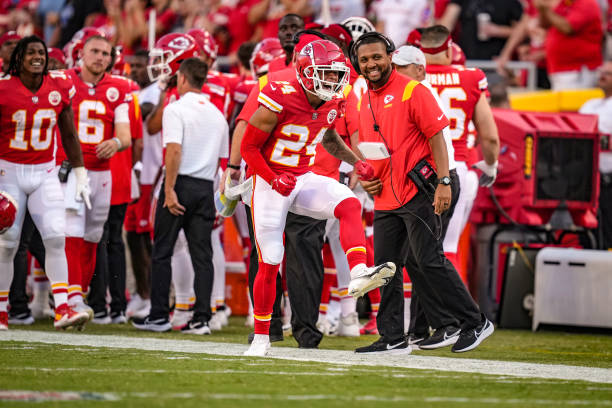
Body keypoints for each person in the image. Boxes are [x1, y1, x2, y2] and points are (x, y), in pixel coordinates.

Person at [241, 39, 396, 357]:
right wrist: (272, 177)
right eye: (323, 73)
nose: (330, 81)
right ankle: (260, 338)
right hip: (270, 181)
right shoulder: (280, 93)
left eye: (335, 74)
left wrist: (356, 162)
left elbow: (328, 135)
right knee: (270, 259)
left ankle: (357, 274)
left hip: (302, 177)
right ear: (303, 71)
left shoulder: (333, 99)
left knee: (349, 204)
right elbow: (249, 148)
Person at [351, 31, 493, 354]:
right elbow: (376, 149)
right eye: (364, 59)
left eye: (376, 57)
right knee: (386, 266)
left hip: (420, 189)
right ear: (357, 64)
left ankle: (474, 321)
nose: (371, 64)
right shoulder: (366, 97)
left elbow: (437, 137)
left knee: (429, 260)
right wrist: (369, 179)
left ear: (389, 57)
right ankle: (393, 336)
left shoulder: (414, 90)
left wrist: (443, 182)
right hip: (387, 192)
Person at [0, 35, 90, 330]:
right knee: (7, 245)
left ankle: (62, 309)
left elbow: (69, 133)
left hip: (44, 172)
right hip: (8, 172)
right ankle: (2, 312)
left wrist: (79, 172)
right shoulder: (4, 88)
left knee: (55, 237)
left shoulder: (59, 85)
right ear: (19, 59)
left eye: (41, 52)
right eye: (31, 53)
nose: (37, 57)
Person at [133, 57, 229, 335]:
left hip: (181, 182)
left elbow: (173, 150)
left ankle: (160, 314)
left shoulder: (175, 109)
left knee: (162, 251)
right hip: (205, 187)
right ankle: (202, 318)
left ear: (183, 79)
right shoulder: (217, 114)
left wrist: (169, 189)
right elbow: (223, 160)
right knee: (203, 255)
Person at [56, 34, 133, 318]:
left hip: (102, 173)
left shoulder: (119, 87)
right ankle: (73, 297)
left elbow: (124, 134)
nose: (101, 57)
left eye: (106, 53)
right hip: (73, 169)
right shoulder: (63, 80)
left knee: (92, 236)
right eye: (95, 51)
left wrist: (116, 142)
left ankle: (79, 294)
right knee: (72, 232)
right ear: (81, 53)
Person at [579, 60, 612, 250]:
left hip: (609, 180)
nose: (603, 75)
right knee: (588, 234)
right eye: (601, 71)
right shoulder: (589, 105)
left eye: (608, 73)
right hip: (587, 182)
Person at [535, 0, 603, 90]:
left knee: (576, 102)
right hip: (559, 68)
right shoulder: (566, 3)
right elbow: (545, 24)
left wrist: (546, 10)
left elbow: (568, 28)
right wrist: (542, 8)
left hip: (577, 69)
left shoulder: (586, 3)